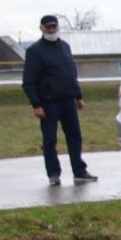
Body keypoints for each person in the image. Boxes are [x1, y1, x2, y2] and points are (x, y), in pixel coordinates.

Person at [22, 14, 96, 186]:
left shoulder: (64, 47)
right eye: (48, 27)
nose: (51, 29)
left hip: (68, 100)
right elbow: (29, 81)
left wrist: (78, 96)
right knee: (50, 140)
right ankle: (53, 174)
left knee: (75, 137)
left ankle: (79, 171)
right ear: (41, 28)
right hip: (48, 102)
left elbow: (72, 74)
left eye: (54, 26)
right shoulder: (35, 51)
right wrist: (36, 104)